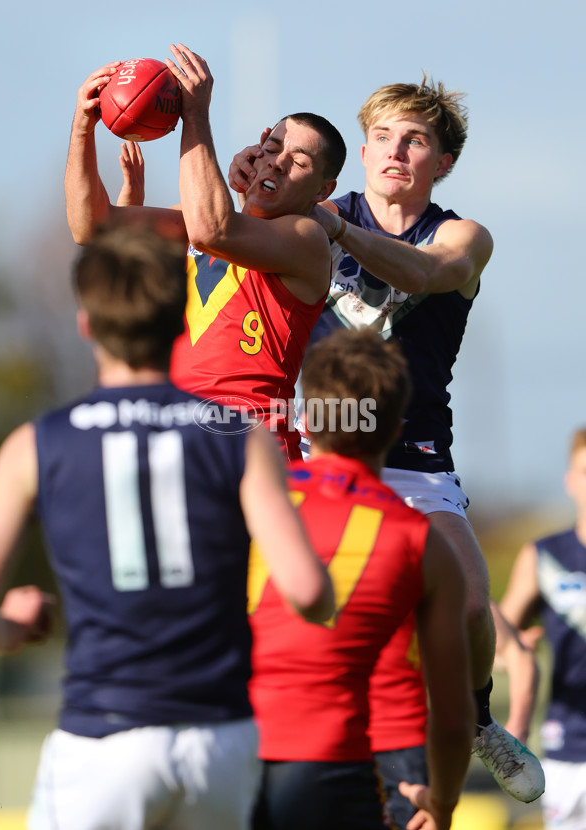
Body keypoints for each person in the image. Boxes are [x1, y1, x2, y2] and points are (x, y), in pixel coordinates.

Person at [229, 75, 545, 804]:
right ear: (362, 151)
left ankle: (475, 719)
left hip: (413, 457)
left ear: (442, 161)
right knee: (276, 601)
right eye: (382, 136)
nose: (396, 150)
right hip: (317, 453)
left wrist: (334, 230)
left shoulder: (460, 235)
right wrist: (249, 171)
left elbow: (431, 272)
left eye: (416, 140)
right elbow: (227, 225)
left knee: (468, 604)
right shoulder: (314, 213)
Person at [0, 224, 334, 830]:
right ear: (182, 323)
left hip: (102, 739)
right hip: (218, 743)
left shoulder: (33, 446)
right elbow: (308, 592)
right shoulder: (242, 439)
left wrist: (8, 627)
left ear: (86, 324)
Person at [64, 46, 347, 460]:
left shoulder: (305, 237)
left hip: (254, 452)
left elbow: (212, 228)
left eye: (298, 162)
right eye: (272, 150)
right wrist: (82, 129)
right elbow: (90, 226)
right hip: (178, 444)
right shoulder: (193, 224)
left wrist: (194, 115)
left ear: (323, 190)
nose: (277, 164)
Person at [248, 326, 476, 830]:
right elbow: (456, 722)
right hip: (367, 763)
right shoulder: (424, 544)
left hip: (242, 751)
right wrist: (442, 803)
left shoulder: (256, 507)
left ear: (307, 419)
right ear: (396, 429)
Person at [499, 426, 586, 830]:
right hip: (567, 752)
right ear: (569, 479)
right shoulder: (543, 556)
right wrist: (514, 654)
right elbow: (494, 643)